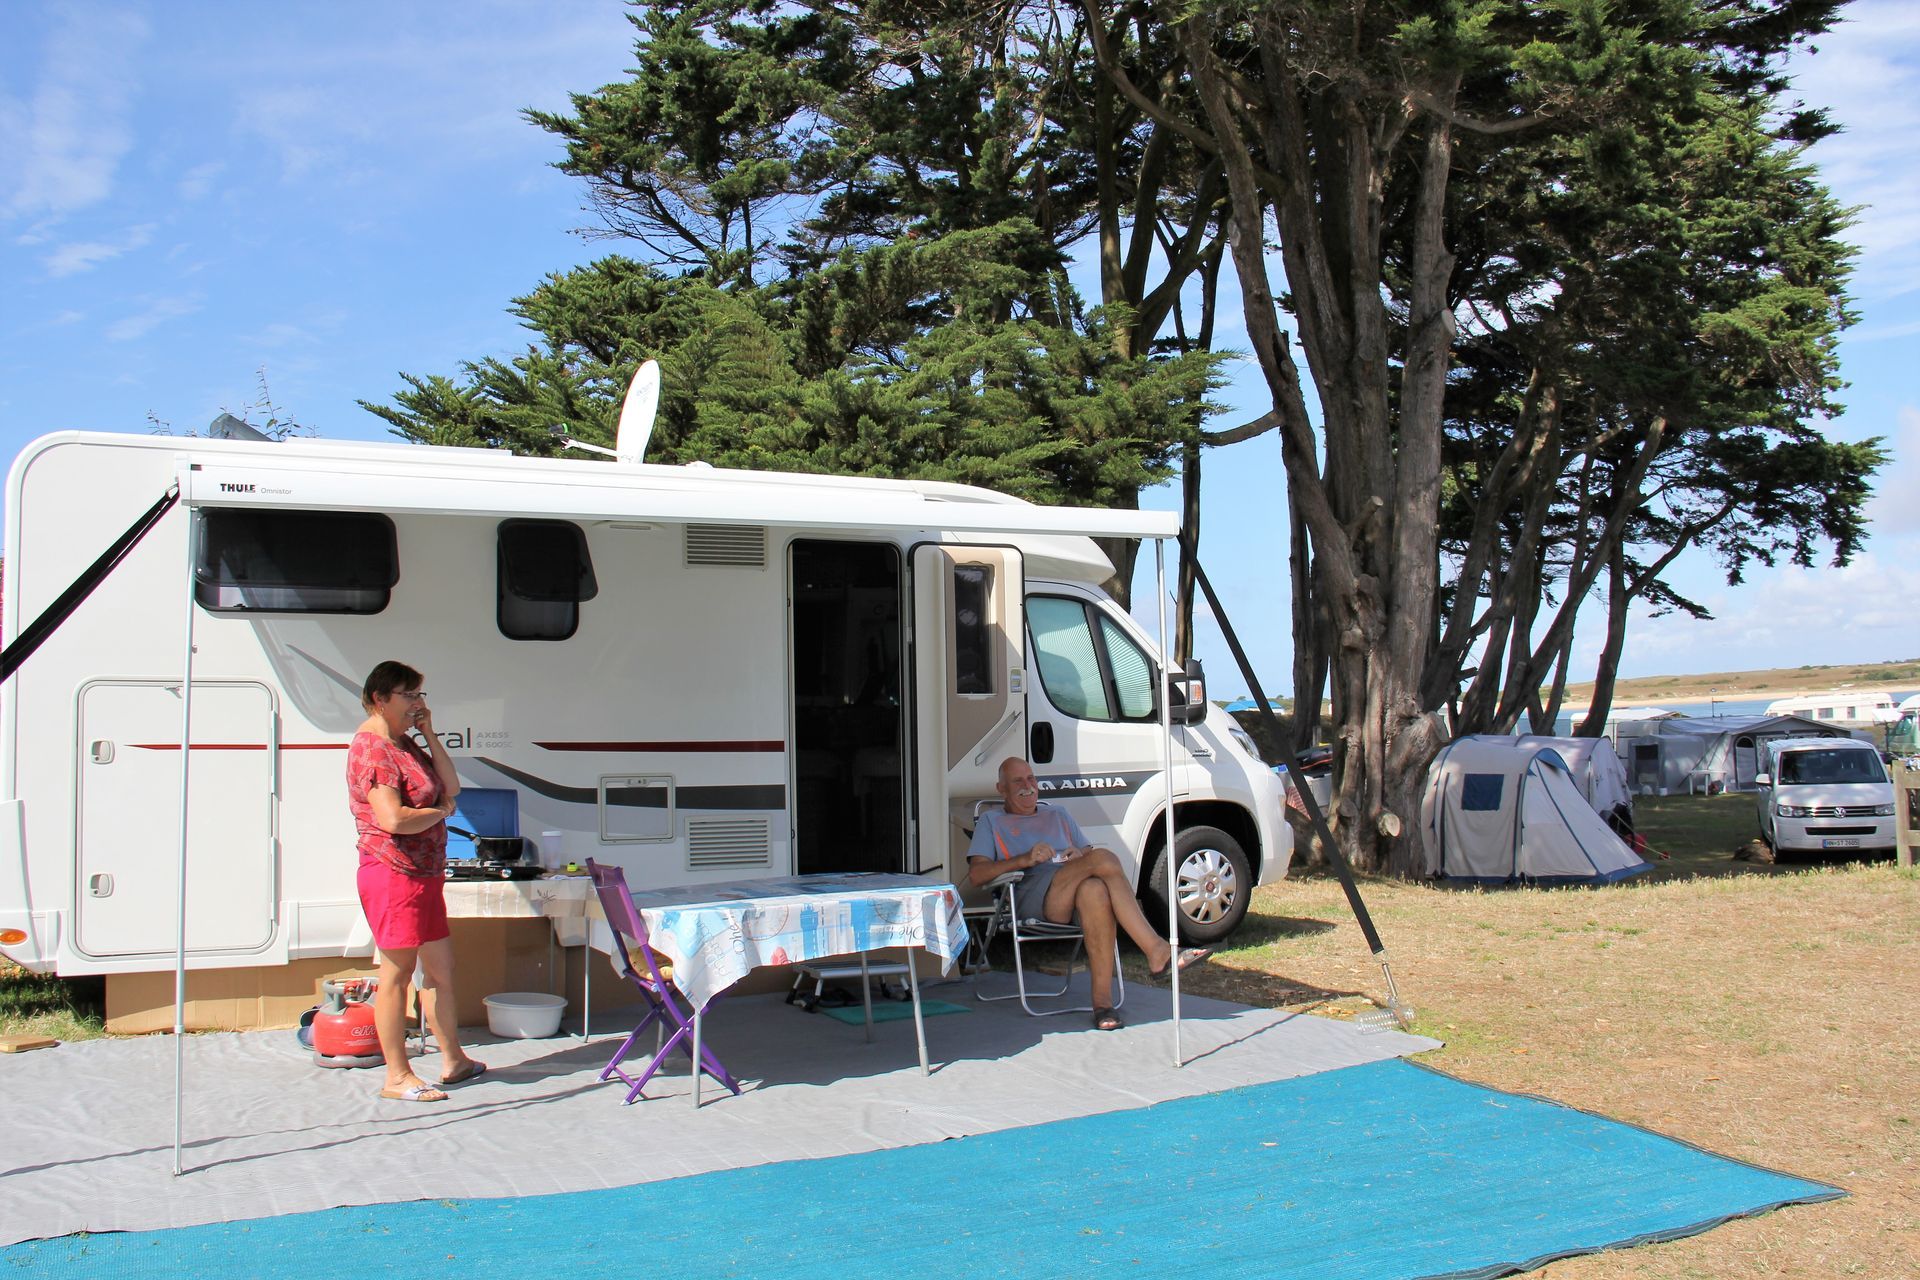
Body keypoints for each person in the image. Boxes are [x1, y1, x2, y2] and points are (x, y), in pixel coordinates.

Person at [967, 756, 1208, 1031]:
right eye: (1018, 781)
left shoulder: (1057, 814)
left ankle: (1103, 1006)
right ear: (1002, 789)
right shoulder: (992, 821)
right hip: (1030, 893)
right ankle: (1155, 950)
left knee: (1094, 889)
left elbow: (1088, 855)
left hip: (1069, 890)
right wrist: (1024, 859)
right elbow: (977, 875)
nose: (1028, 786)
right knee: (1105, 858)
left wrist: (1078, 854)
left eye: (1031, 778)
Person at [347, 660, 484, 1101]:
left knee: (441, 970)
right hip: (393, 873)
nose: (417, 704)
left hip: (424, 875)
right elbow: (394, 819)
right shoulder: (372, 748)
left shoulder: (403, 742)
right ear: (379, 699)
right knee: (398, 973)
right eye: (409, 696)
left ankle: (453, 1060)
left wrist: (429, 732)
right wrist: (441, 813)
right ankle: (397, 1076)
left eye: (420, 695)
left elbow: (452, 785)